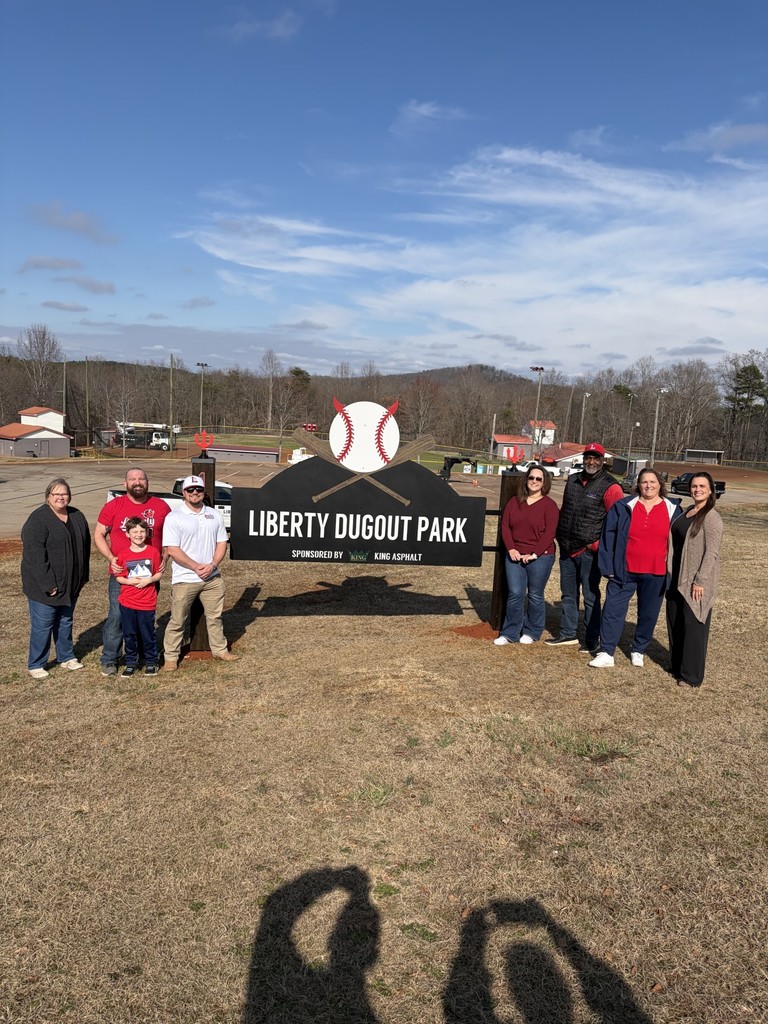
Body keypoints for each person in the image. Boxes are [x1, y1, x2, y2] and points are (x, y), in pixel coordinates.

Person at [589, 469, 682, 668]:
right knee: (613, 610)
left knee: (648, 613)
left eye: (653, 482)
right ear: (638, 485)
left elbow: (682, 541)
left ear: (660, 484)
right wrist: (608, 567)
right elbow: (608, 536)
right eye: (644, 482)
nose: (648, 486)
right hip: (624, 570)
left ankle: (638, 649)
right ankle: (606, 652)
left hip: (656, 572)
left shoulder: (672, 509)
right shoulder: (623, 506)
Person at [546, 443, 624, 653]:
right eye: (588, 457)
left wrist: (596, 545)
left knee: (590, 597)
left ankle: (591, 639)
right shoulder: (572, 479)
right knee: (568, 595)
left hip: (589, 552)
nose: (591, 461)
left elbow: (617, 522)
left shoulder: (610, 486)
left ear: (602, 460)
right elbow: (566, 509)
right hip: (567, 548)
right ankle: (568, 633)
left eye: (595, 458)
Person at [94, 467, 171, 676]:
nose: (138, 482)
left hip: (150, 576)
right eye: (133, 479)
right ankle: (110, 658)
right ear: (125, 483)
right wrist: (112, 558)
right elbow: (99, 534)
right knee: (118, 616)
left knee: (144, 617)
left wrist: (164, 557)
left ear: (147, 482)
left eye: (141, 479)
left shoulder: (161, 506)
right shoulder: (114, 506)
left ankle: (143, 657)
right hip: (122, 575)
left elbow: (172, 537)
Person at [162, 475, 239, 670]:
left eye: (198, 490)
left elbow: (222, 542)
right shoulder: (174, 517)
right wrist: (196, 566)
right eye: (190, 490)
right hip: (185, 578)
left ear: (204, 493)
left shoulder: (214, 514)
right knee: (178, 619)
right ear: (184, 493)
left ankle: (220, 650)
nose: (195, 493)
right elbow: (172, 549)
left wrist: (212, 564)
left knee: (215, 617)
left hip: (212, 577)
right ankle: (171, 657)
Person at [21, 478, 91, 679]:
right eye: (56, 494)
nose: (61, 497)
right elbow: (34, 556)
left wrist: (83, 576)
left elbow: (84, 549)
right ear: (48, 497)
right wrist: (47, 584)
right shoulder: (38, 519)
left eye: (64, 494)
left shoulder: (77, 516)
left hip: (71, 583)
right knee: (43, 625)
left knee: (65, 621)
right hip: (46, 586)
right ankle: (36, 663)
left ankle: (66, 656)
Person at [665, 472, 723, 689]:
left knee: (694, 625)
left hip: (696, 580)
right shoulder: (688, 512)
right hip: (677, 576)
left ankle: (691, 675)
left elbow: (712, 553)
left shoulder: (712, 517)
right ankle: (677, 666)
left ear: (710, 490)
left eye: (702, 486)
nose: (697, 489)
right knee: (676, 621)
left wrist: (700, 580)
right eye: (694, 486)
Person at [494, 465, 559, 645]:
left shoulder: (549, 506)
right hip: (515, 555)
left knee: (535, 595)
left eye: (539, 479)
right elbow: (505, 527)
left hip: (540, 556)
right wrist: (512, 549)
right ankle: (509, 633)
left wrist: (534, 554)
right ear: (526, 479)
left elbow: (549, 534)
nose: (534, 482)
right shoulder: (514, 502)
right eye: (532, 478)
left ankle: (532, 631)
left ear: (544, 483)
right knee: (515, 593)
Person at [115, 516, 163, 677]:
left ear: (147, 533)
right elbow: (119, 577)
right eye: (134, 531)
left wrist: (149, 580)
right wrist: (129, 581)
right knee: (129, 634)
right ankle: (130, 663)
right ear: (127, 534)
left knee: (147, 633)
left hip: (147, 601)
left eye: (142, 531)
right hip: (127, 602)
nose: (138, 534)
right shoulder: (123, 554)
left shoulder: (153, 552)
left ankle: (150, 662)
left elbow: (158, 573)